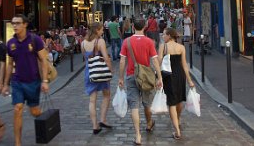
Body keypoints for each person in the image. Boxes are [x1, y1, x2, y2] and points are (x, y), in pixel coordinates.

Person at [2, 14, 50, 146]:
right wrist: (5, 84)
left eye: (18, 23)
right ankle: (18, 143)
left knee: (34, 111)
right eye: (13, 23)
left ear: (25, 24)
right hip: (17, 81)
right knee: (17, 108)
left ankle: (43, 122)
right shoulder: (11, 43)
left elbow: (43, 60)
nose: (15, 26)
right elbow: (10, 64)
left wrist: (45, 81)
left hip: (33, 81)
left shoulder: (35, 40)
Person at [118, 17, 163, 145]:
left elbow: (122, 61)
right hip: (146, 77)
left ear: (133, 27)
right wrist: (159, 77)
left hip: (131, 76)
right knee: (147, 103)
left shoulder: (126, 42)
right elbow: (154, 61)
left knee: (134, 106)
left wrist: (120, 78)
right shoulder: (149, 42)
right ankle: (149, 123)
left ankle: (138, 135)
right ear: (145, 27)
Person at [158, 28, 195, 139]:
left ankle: (177, 130)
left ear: (169, 36)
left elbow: (159, 63)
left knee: (171, 102)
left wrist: (158, 78)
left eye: (164, 34)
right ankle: (177, 119)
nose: (163, 36)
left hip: (168, 76)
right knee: (179, 100)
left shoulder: (163, 47)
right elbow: (184, 65)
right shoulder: (181, 47)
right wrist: (189, 80)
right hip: (180, 75)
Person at [81, 22, 113, 134]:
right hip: (101, 72)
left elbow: (85, 59)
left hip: (89, 73)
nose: (103, 31)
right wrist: (110, 70)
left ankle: (95, 125)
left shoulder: (83, 43)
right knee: (106, 95)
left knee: (92, 100)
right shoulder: (100, 41)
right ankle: (103, 119)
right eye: (101, 30)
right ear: (97, 30)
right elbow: (106, 58)